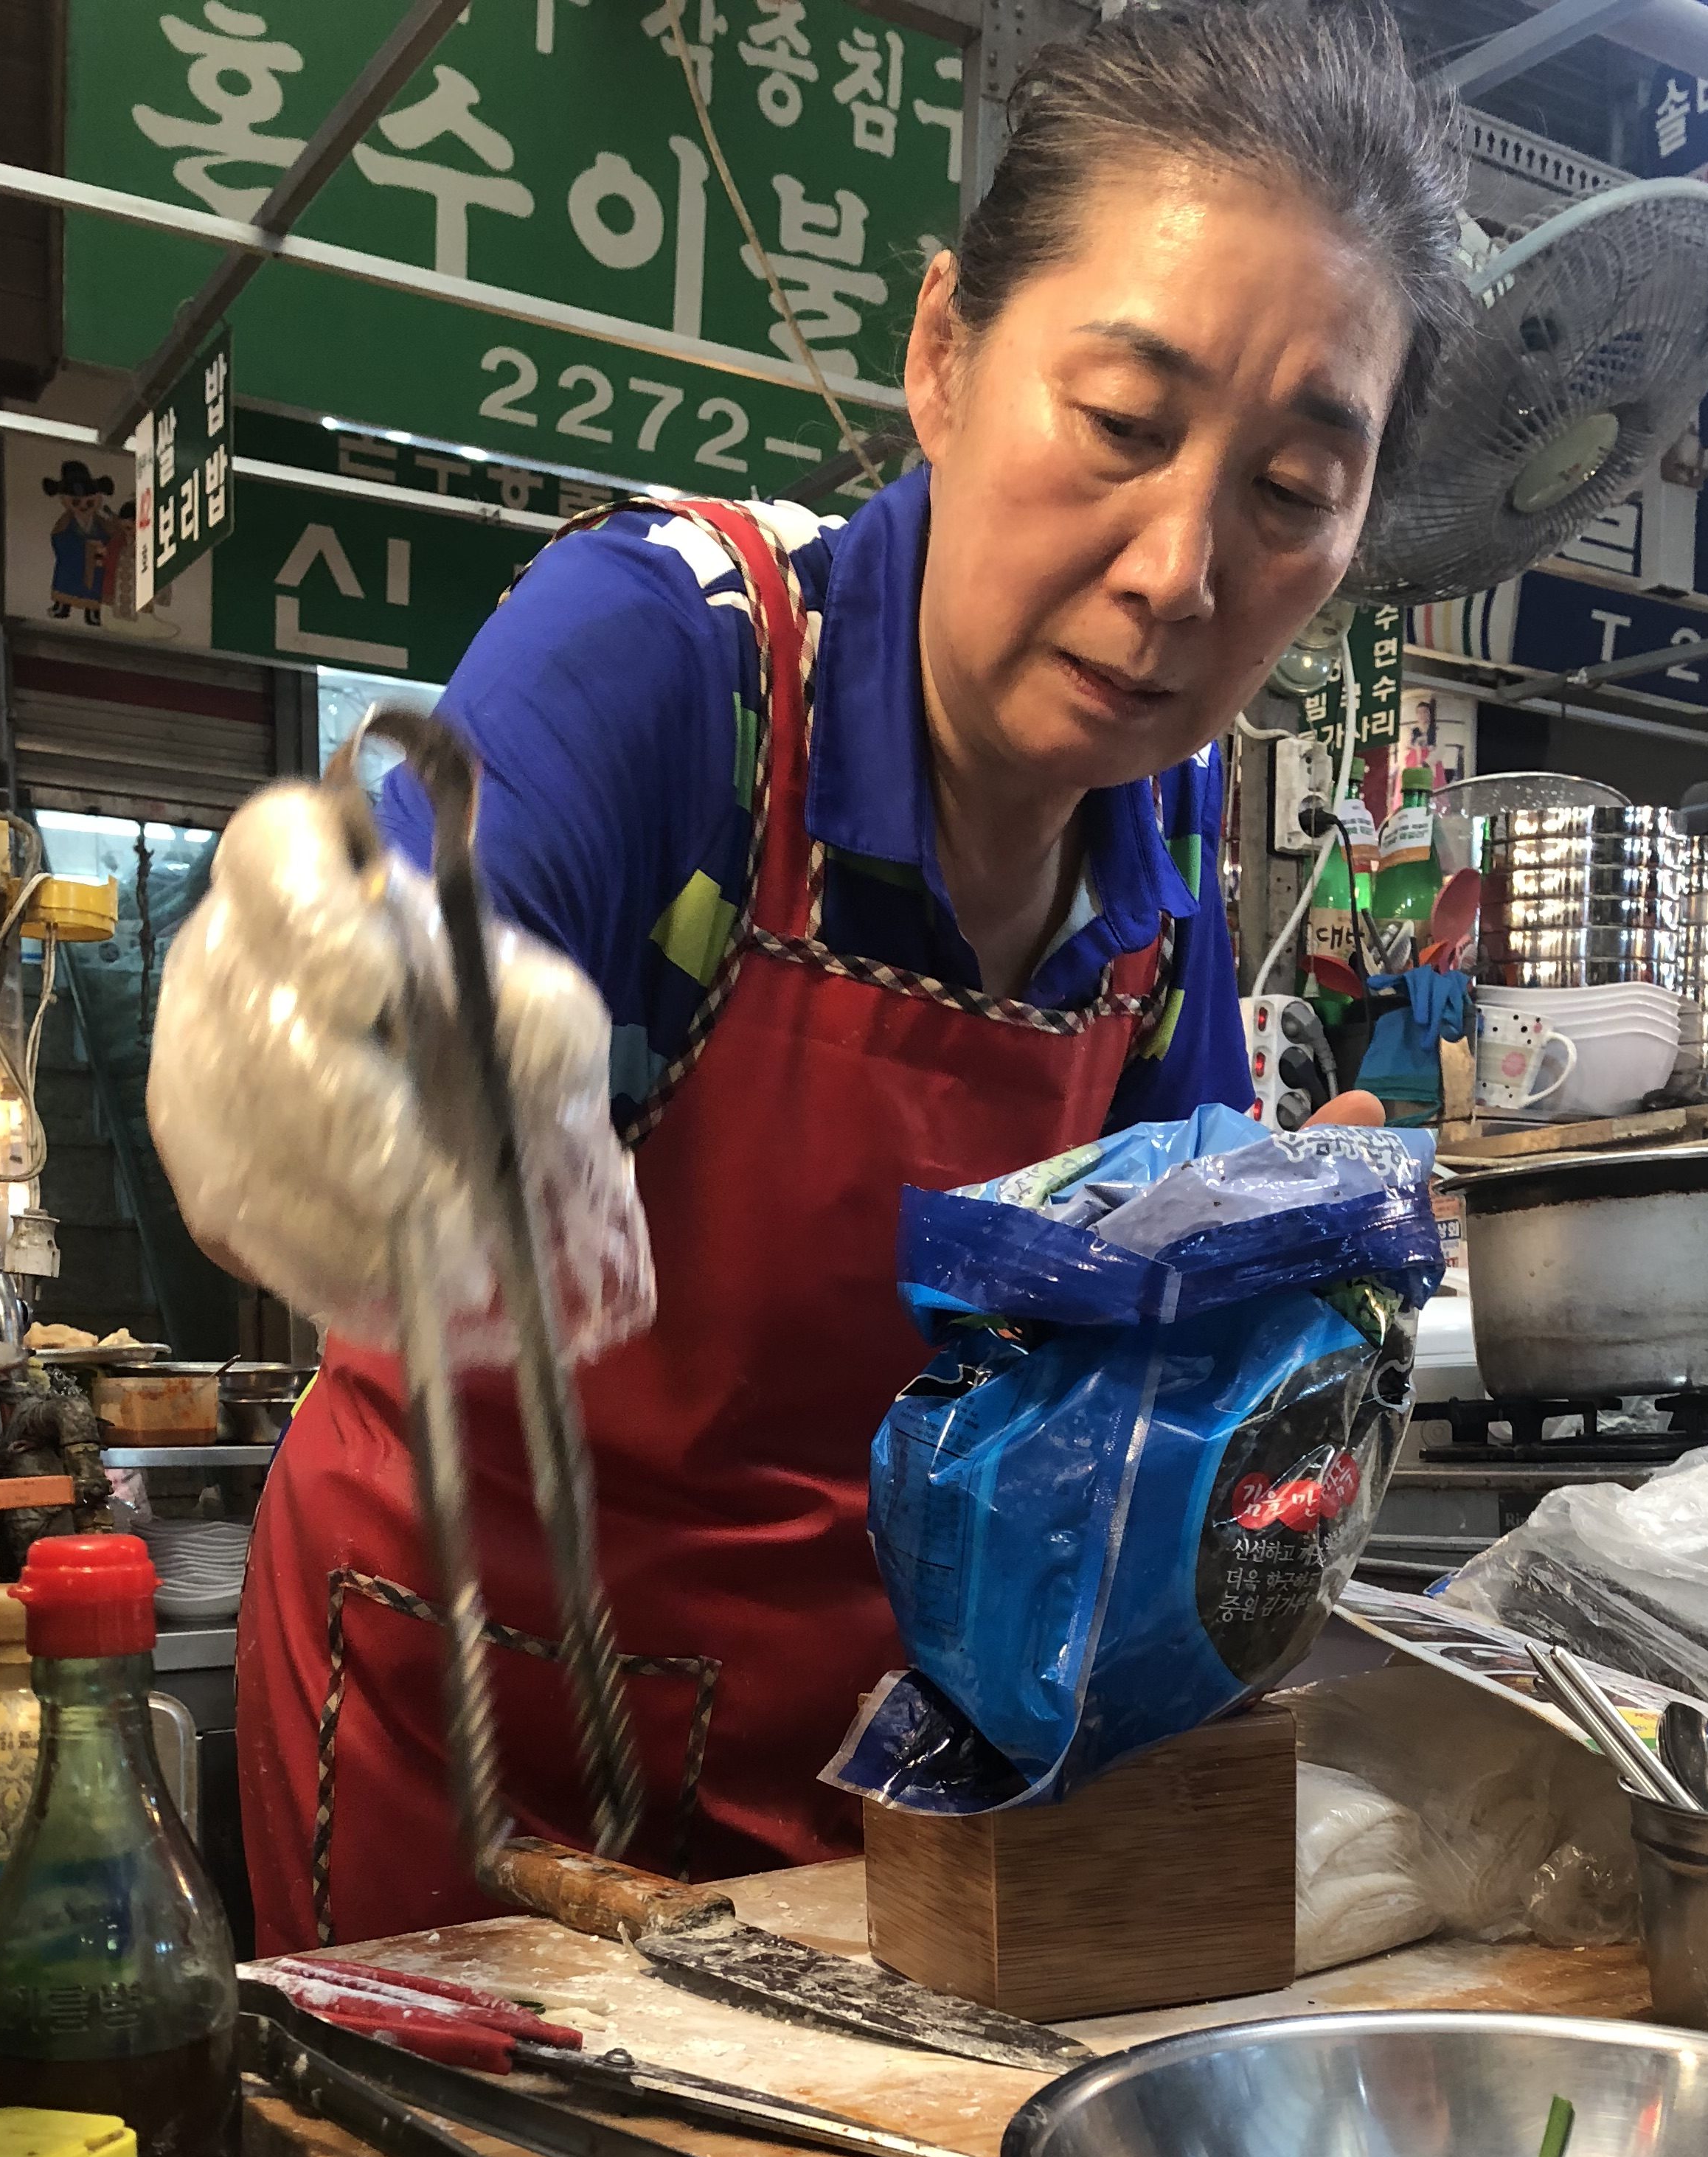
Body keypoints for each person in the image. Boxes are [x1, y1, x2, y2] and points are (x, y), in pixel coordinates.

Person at [158, 0, 1466, 1952]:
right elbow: (410, 961)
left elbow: (1107, 1386)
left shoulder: (1169, 841)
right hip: (468, 1723)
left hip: (853, 1761)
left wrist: (1276, 1320)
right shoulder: (666, 659)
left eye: (1290, 492)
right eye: (1121, 425)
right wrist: (328, 1050)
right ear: (942, 355)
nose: (1182, 567)